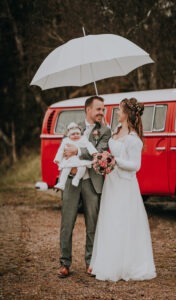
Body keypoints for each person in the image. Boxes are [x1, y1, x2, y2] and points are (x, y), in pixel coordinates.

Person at [89, 97, 156, 281]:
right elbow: (111, 150)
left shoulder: (134, 139)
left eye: (119, 110)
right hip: (112, 182)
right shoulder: (117, 131)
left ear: (126, 113)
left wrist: (115, 160)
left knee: (121, 222)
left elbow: (135, 165)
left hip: (124, 185)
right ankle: (106, 262)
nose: (116, 113)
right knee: (109, 219)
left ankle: (124, 264)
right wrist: (104, 157)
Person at [58, 96, 112, 278]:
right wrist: (72, 154)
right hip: (72, 179)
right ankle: (65, 263)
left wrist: (78, 151)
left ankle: (91, 262)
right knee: (67, 222)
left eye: (103, 109)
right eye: (98, 109)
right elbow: (65, 149)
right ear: (88, 109)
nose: (101, 112)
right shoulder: (74, 126)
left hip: (92, 181)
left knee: (93, 223)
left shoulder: (105, 130)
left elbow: (99, 154)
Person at [54, 122, 97, 189]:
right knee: (65, 169)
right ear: (69, 135)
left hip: (80, 159)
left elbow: (89, 145)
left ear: (80, 133)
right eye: (73, 134)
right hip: (70, 159)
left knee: (82, 168)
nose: (75, 135)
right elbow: (61, 150)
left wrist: (93, 152)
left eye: (77, 133)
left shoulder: (83, 139)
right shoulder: (66, 141)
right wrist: (57, 159)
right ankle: (61, 183)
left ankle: (77, 178)